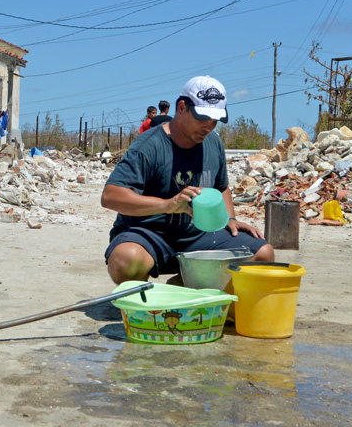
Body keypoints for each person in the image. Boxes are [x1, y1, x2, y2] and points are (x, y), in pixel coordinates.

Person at [102, 76, 274, 284]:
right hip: (148, 235)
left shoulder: (213, 143)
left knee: (262, 254)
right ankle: (142, 302)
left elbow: (221, 186)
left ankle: (184, 286)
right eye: (202, 119)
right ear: (182, 107)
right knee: (126, 259)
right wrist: (169, 205)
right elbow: (111, 196)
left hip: (200, 237)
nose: (209, 127)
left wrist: (229, 219)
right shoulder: (148, 146)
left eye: (214, 121)